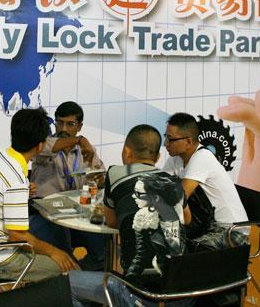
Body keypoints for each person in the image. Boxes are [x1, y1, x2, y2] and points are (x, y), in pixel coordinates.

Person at [68, 124, 191, 307]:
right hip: (184, 295)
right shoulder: (172, 181)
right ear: (157, 157)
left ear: (126, 152)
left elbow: (111, 221)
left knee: (66, 284)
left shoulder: (115, 172)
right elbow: (187, 219)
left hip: (139, 295)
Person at [0, 107, 79, 282]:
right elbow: (17, 236)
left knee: (51, 230)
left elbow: (1, 192)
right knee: (71, 268)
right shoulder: (16, 181)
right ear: (41, 146)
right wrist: (54, 252)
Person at [29, 101, 106, 270]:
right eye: (60, 123)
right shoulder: (43, 145)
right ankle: (71, 277)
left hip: (76, 214)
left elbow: (99, 178)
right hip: (47, 216)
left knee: (102, 251)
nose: (63, 129)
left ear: (79, 126)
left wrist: (100, 178)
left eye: (70, 124)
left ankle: (79, 276)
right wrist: (80, 140)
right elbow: (52, 146)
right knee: (65, 261)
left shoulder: (86, 150)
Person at [161, 112, 248, 248]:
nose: (166, 143)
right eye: (166, 137)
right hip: (205, 226)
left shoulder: (202, 158)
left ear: (189, 142)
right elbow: (160, 187)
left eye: (171, 139)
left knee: (186, 249)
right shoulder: (176, 158)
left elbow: (179, 198)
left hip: (231, 231)